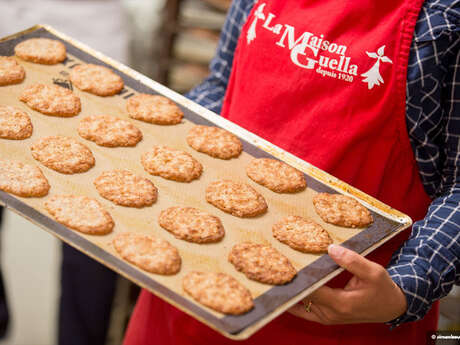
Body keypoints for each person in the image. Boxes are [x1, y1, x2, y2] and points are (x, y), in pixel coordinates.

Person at [123, 0, 460, 344]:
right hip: (189, 283)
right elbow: (223, 86)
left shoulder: (443, 19)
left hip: (343, 314)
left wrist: (407, 284)